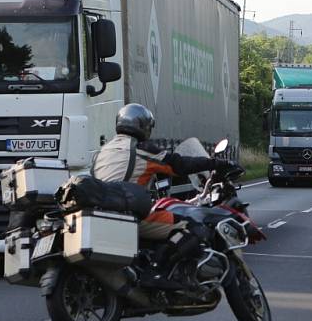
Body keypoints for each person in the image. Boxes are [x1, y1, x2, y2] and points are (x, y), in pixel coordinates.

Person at [92, 103, 230, 240]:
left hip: (100, 214)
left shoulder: (102, 151)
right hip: (127, 215)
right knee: (190, 225)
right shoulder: (141, 149)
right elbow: (180, 165)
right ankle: (163, 262)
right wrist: (216, 163)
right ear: (143, 126)